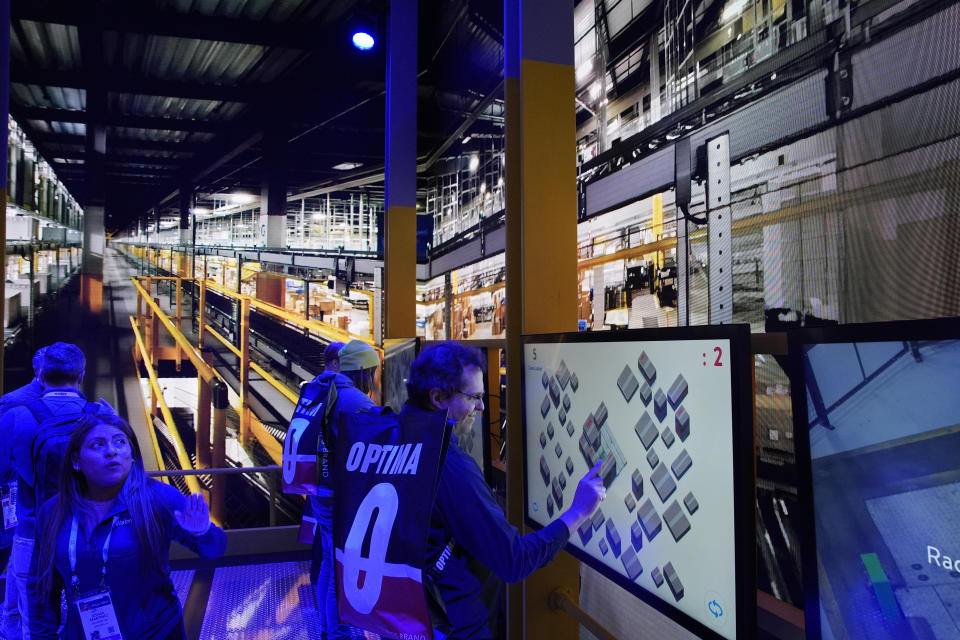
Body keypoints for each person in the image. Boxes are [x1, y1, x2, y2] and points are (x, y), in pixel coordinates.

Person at [404, 342, 605, 639]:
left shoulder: (395, 432)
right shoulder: (450, 466)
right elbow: (514, 561)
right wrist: (578, 512)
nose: (483, 408)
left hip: (406, 615)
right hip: (453, 624)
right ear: (438, 398)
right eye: (474, 397)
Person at [28, 413, 226, 639]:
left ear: (132, 456)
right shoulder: (54, 511)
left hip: (155, 632)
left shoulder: (158, 498)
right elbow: (41, 588)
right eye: (97, 445)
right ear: (76, 461)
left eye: (120, 442)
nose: (111, 451)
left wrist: (202, 531)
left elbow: (215, 550)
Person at [1, 342, 105, 640]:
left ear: (40, 376)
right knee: (91, 619)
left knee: (35, 623)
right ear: (81, 376)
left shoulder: (16, 416)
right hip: (89, 536)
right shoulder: (101, 416)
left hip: (33, 537)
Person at [307, 339, 381, 639]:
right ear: (364, 371)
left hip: (320, 489)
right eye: (374, 371)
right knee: (343, 568)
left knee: (328, 559)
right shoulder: (357, 402)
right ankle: (338, 633)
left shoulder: (323, 388)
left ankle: (327, 628)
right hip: (340, 497)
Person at [0, 346, 47, 640]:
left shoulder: (12, 402)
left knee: (22, 567)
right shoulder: (81, 407)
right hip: (34, 504)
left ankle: (13, 622)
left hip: (24, 506)